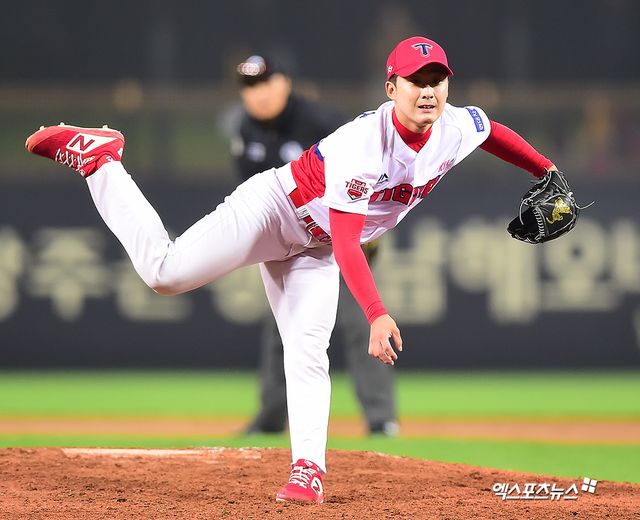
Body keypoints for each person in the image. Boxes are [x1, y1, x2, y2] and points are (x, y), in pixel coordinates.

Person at [26, 35, 560, 505]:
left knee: (307, 350)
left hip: (315, 246)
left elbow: (492, 131)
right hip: (275, 210)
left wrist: (547, 171)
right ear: (391, 87)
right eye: (415, 81)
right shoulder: (364, 145)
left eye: (437, 80)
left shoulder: (455, 124)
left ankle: (308, 470)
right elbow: (348, 239)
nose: (428, 91)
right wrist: (376, 313)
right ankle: (102, 159)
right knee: (164, 274)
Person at [231, 54, 398, 436]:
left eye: (264, 83)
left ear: (285, 83)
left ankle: (381, 419)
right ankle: (271, 418)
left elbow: (372, 172)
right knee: (281, 327)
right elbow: (252, 196)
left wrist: (367, 231)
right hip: (291, 242)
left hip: (344, 238)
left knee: (360, 322)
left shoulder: (320, 121)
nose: (257, 94)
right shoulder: (245, 130)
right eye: (249, 87)